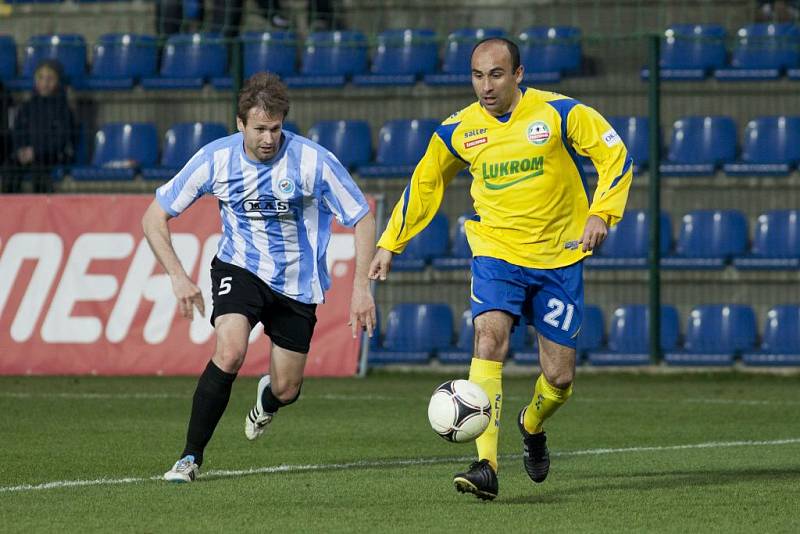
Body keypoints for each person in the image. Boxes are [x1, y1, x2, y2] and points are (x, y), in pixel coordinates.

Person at [368, 37, 633, 501]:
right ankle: (486, 465)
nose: (485, 86)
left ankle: (531, 425)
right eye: (476, 75)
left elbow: (616, 155)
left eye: (495, 75)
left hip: (558, 257)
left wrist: (601, 212)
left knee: (560, 378)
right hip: (496, 252)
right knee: (488, 338)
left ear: (518, 74)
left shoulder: (560, 113)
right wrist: (391, 242)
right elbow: (425, 184)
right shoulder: (457, 130)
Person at [142, 72, 376, 483]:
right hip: (240, 267)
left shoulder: (312, 161)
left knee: (287, 389)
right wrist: (178, 276)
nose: (268, 138)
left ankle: (266, 400)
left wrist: (361, 289)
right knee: (230, 351)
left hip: (298, 283)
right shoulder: (216, 159)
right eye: (259, 129)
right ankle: (189, 458)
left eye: (275, 128)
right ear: (240, 124)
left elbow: (362, 217)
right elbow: (154, 216)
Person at [7, 60, 75, 193]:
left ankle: (41, 211)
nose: (45, 83)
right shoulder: (27, 107)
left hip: (51, 156)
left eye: (50, 79)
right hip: (27, 154)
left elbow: (61, 140)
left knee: (39, 170)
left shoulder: (63, 109)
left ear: (58, 82)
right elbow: (17, 132)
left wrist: (36, 151)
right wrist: (21, 150)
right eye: (41, 78)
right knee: (9, 168)